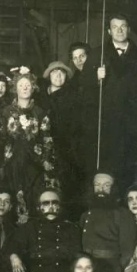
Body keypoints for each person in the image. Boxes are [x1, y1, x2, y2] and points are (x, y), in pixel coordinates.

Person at [82, 13, 137, 186]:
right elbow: (84, 85)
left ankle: (125, 195)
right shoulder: (97, 54)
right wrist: (96, 78)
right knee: (105, 162)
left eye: (123, 26)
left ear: (129, 30)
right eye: (115, 27)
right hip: (105, 119)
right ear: (109, 31)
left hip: (130, 120)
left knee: (127, 161)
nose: (119, 30)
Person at [5, 188, 82, 272]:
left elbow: (77, 257)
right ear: (39, 207)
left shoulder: (71, 229)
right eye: (46, 203)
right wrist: (14, 257)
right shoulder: (29, 228)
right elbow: (13, 245)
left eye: (54, 203)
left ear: (60, 206)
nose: (50, 207)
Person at [0, 66, 59, 223]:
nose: (25, 88)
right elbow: (1, 139)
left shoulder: (40, 112)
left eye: (28, 85)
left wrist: (46, 162)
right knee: (11, 200)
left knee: (32, 200)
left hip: (34, 164)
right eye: (21, 85)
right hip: (12, 163)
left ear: (33, 88)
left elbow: (47, 140)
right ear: (15, 89)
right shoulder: (6, 112)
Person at [80, 171, 137, 272]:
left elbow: (127, 253)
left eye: (106, 185)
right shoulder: (85, 215)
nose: (101, 189)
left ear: (113, 189)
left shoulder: (122, 214)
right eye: (97, 185)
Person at [40, 60, 85, 219]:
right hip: (42, 148)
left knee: (66, 186)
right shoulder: (40, 96)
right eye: (55, 72)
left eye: (62, 72)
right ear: (49, 75)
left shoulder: (73, 97)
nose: (58, 76)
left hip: (65, 149)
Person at [67, 41, 99, 184]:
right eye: (75, 58)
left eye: (82, 56)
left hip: (98, 129)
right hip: (81, 132)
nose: (79, 61)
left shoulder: (100, 75)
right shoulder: (73, 82)